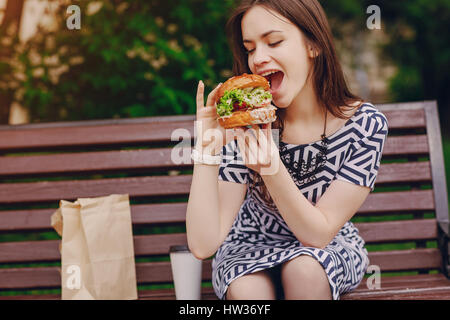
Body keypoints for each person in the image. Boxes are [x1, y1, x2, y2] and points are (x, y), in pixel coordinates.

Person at [186, 0, 388, 300]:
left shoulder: (365, 125)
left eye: (274, 41)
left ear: (314, 45)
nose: (257, 59)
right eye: (250, 48)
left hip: (327, 246)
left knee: (304, 269)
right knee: (246, 291)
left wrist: (272, 169)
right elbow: (203, 245)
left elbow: (318, 235)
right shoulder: (245, 121)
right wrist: (206, 151)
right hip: (249, 244)